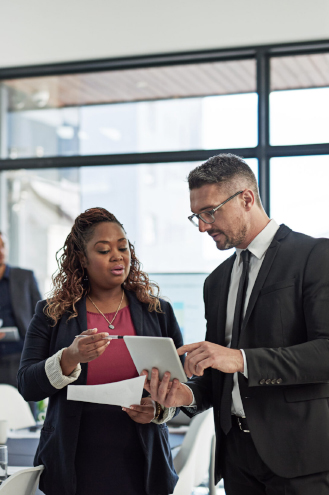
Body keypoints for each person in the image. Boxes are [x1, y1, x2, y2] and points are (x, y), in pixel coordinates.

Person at [143, 154, 329, 495]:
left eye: (210, 212)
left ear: (246, 198)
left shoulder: (315, 256)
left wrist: (241, 359)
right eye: (196, 216)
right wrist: (186, 395)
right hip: (237, 459)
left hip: (302, 460)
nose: (202, 226)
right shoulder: (216, 281)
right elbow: (218, 375)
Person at [18, 207, 182, 495]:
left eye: (123, 247)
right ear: (82, 258)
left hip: (143, 459)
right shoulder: (52, 313)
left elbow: (182, 384)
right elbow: (27, 385)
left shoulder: (158, 312)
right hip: (74, 460)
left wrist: (158, 410)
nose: (118, 256)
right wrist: (69, 358)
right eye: (104, 250)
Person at [0, 231, 41, 387]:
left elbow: (42, 316)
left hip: (20, 355)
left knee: (25, 406)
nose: (1, 251)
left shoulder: (25, 277)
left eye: (3, 246)